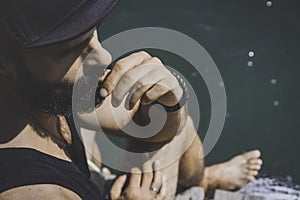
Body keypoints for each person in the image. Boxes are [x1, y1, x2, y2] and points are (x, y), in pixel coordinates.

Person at [0, 0, 263, 199]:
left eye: (92, 31)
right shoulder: (35, 191)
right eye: (69, 49)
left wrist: (170, 97)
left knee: (168, 119)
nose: (102, 56)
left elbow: (154, 125)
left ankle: (204, 180)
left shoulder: (41, 91)